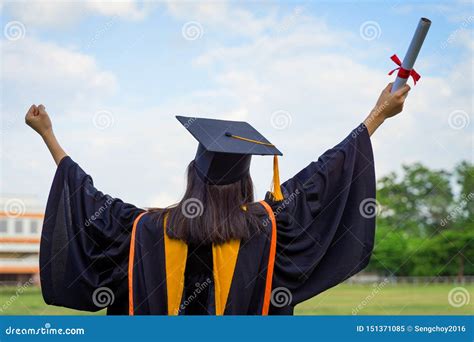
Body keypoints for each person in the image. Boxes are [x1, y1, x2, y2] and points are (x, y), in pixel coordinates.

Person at [26, 83, 411, 315]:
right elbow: (322, 179)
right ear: (245, 181)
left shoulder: (144, 230)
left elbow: (87, 197)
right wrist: (377, 114)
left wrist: (48, 136)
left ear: (193, 175)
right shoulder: (270, 228)